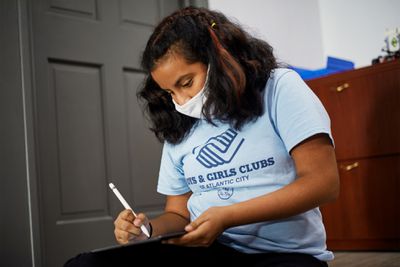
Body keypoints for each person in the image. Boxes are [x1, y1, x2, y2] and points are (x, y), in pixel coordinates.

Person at [64, 6, 339, 267]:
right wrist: (145, 230)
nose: (181, 101)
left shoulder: (279, 88)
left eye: (186, 83)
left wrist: (228, 216)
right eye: (171, 92)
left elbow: (322, 183)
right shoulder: (178, 122)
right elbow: (179, 214)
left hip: (284, 254)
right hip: (212, 252)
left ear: (220, 56)